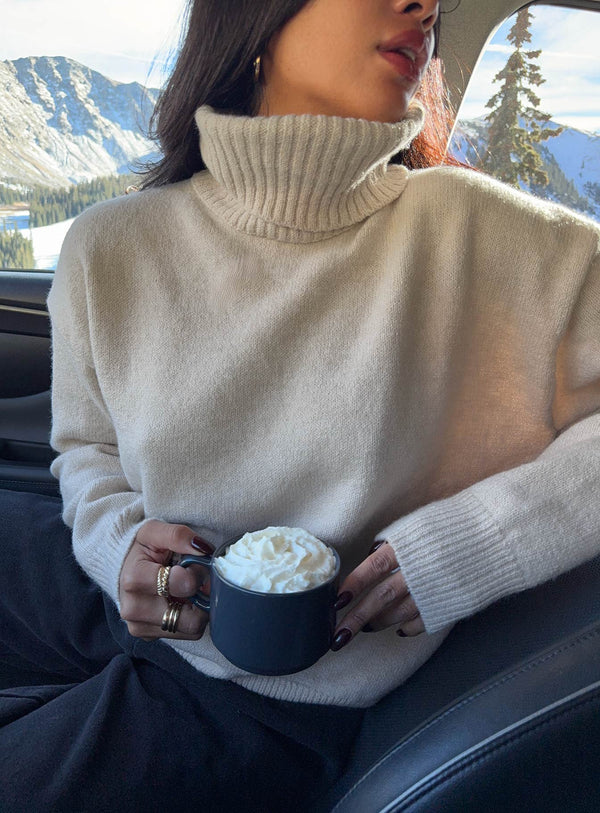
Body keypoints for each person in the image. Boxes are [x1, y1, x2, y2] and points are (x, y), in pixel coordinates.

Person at [1, 0, 599, 810]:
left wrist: (479, 542)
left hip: (271, 706)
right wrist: (116, 546)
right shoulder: (108, 248)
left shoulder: (500, 244)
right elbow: (87, 449)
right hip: (141, 605)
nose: (424, 4)